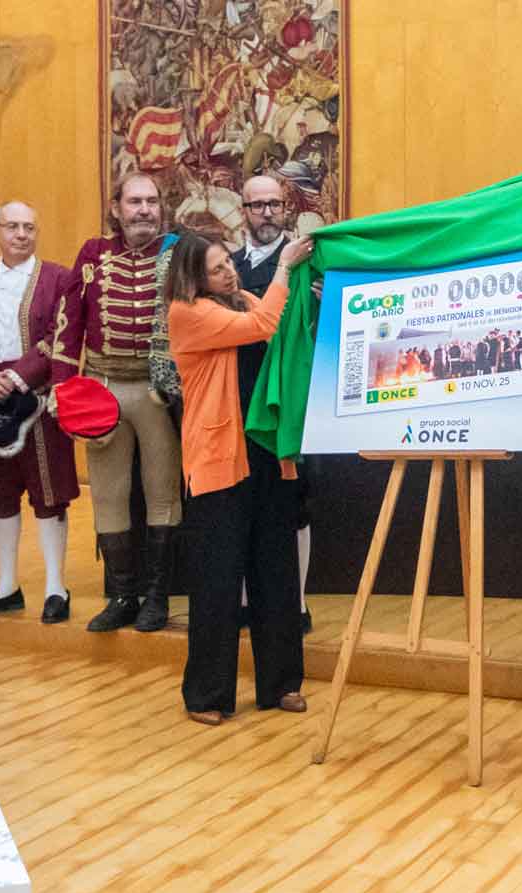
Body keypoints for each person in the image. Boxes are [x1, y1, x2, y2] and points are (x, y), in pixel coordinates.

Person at [164, 231, 313, 724]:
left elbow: (281, 326)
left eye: (228, 261)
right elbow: (265, 322)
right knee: (216, 581)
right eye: (216, 268)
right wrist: (287, 269)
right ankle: (207, 695)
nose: (228, 271)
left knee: (276, 572)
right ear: (193, 279)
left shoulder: (243, 297)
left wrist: (307, 296)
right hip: (219, 461)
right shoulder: (188, 313)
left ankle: (282, 684)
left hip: (267, 454)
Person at [57, 172, 182, 633]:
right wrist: (64, 389)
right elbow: (69, 323)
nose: (144, 210)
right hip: (102, 388)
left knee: (162, 492)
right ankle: (123, 595)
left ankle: (157, 598)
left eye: (151, 201)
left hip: (157, 391)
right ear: (116, 208)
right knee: (108, 494)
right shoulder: (94, 254)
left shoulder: (176, 252)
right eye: (135, 201)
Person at [0, 200, 81, 625]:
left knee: (48, 494)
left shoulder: (59, 278)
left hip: (38, 400)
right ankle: (7, 587)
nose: (22, 234)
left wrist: (19, 377)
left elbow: (59, 337)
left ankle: (55, 588)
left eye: (29, 227)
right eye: (13, 226)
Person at [233, 174, 317, 635]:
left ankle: (298, 603)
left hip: (290, 404)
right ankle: (247, 602)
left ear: (286, 209)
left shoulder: (310, 266)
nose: (267, 212)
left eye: (274, 204)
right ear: (243, 211)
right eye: (257, 205)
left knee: (294, 504)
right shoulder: (224, 267)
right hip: (238, 402)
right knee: (243, 502)